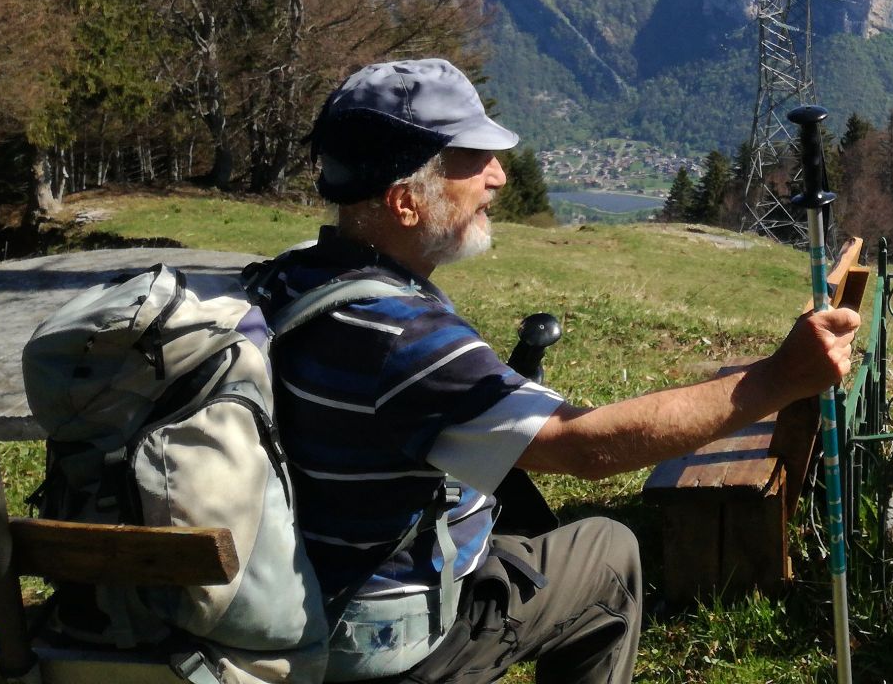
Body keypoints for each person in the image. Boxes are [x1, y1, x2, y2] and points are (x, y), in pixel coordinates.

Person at [248, 57, 859, 683]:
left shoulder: (295, 275)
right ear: (405, 202)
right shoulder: (405, 336)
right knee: (607, 554)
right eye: (472, 159)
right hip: (381, 638)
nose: (498, 176)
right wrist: (777, 380)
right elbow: (583, 447)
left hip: (309, 585)